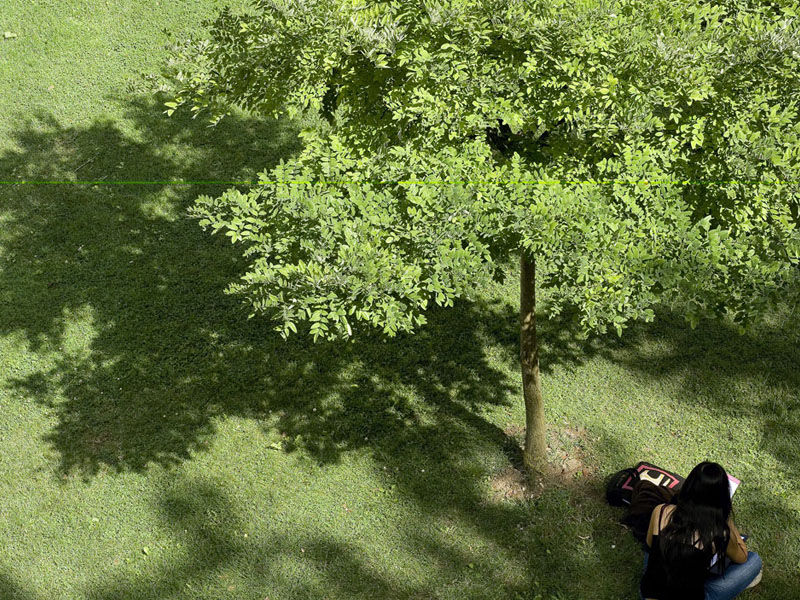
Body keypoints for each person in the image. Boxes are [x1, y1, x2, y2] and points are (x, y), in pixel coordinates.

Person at [639, 461, 762, 600]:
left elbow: (649, 546)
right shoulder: (718, 531)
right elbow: (742, 557)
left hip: (650, 594)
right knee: (754, 560)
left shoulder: (661, 510)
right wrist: (725, 519)